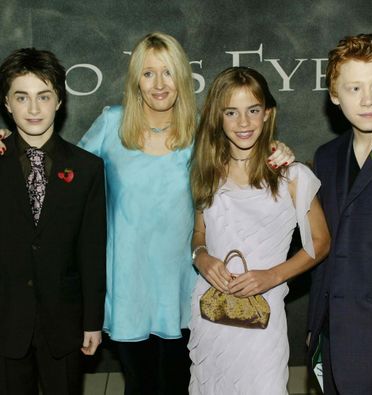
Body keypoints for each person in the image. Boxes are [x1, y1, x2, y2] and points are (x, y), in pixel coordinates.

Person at [0, 33, 294, 394]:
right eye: (148, 73)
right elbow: (60, 172)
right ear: (136, 80)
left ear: (182, 78)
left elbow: (243, 152)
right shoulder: (112, 123)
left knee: (174, 383)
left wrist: (277, 149)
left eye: (168, 72)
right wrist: (7, 142)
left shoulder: (203, 128)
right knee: (138, 384)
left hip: (182, 285)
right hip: (127, 288)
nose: (159, 84)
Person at [188, 66, 330, 394]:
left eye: (253, 110)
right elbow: (198, 234)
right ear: (218, 117)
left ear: (268, 114)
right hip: (210, 314)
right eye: (232, 112)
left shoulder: (292, 176)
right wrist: (202, 257)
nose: (243, 123)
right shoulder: (207, 171)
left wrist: (273, 276)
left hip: (263, 318)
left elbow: (320, 244)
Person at [0, 48, 106, 394]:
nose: (33, 109)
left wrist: (92, 321)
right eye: (22, 97)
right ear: (6, 103)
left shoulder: (87, 168)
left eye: (43, 96)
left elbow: (91, 251)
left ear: (59, 101)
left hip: (63, 324)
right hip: (6, 320)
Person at [307, 34, 372, 395]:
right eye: (354, 88)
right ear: (334, 95)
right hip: (333, 334)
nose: (368, 99)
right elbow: (326, 246)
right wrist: (315, 322)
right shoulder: (327, 157)